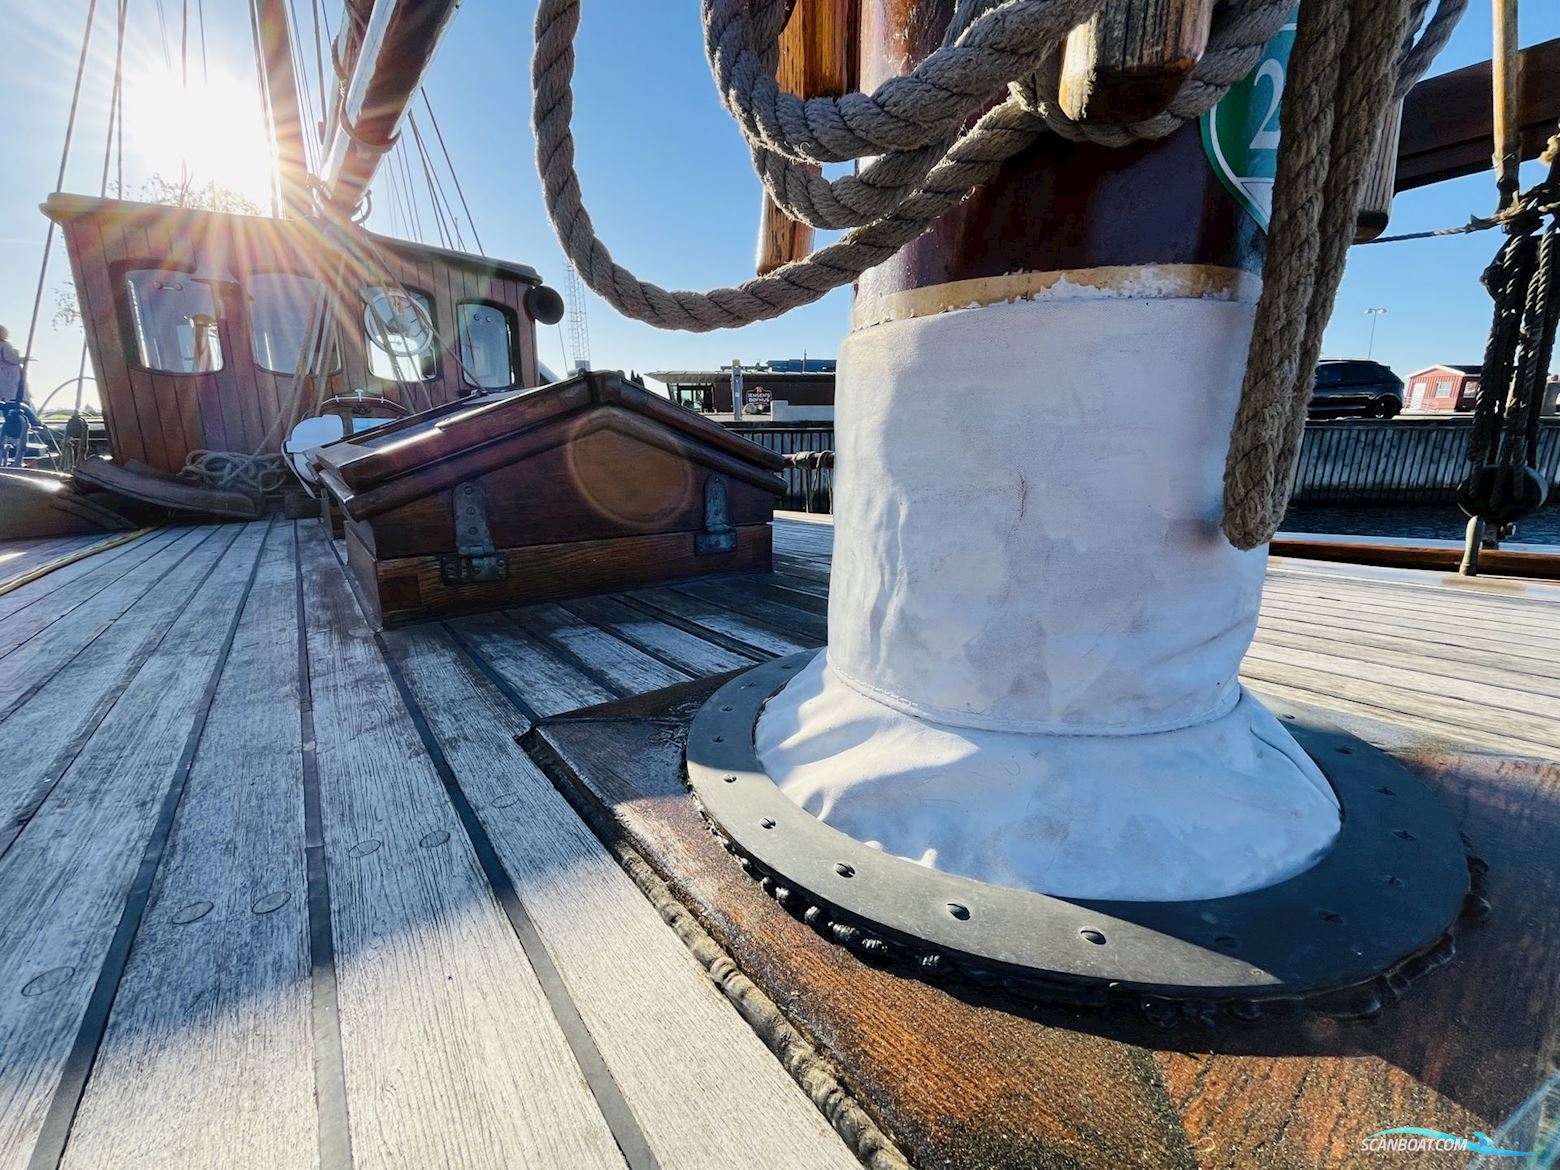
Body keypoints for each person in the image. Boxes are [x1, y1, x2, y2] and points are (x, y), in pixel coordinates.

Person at [0, 326, 22, 403]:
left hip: (4, 373)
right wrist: (23, 360)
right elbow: (11, 359)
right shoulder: (4, 345)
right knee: (11, 393)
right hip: (9, 374)